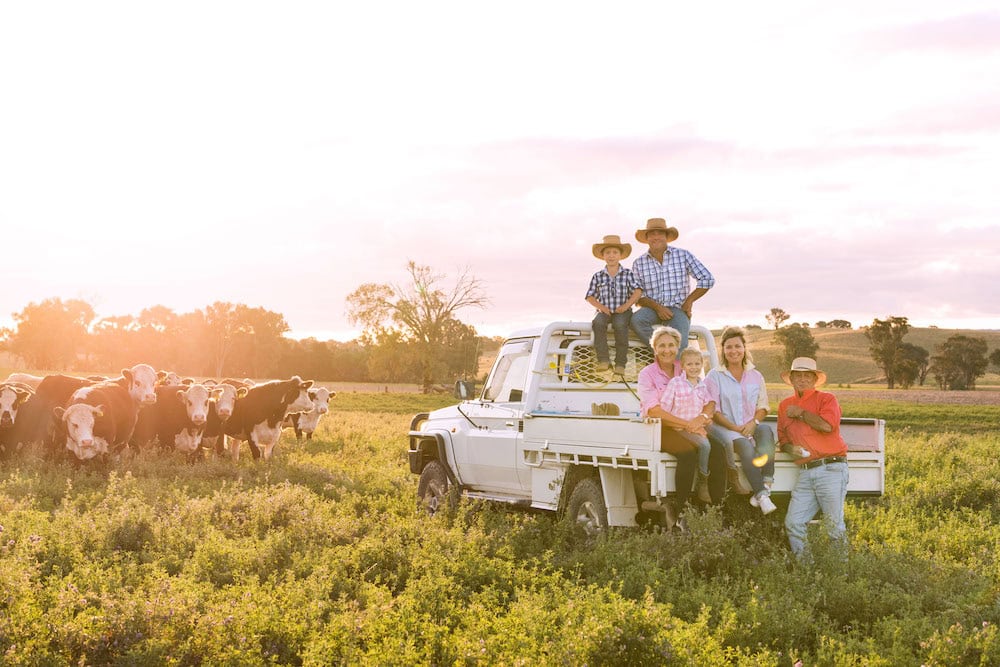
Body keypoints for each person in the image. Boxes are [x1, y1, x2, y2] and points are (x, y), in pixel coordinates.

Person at [637, 325, 726, 528]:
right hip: (662, 428)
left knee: (718, 449)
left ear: (678, 347)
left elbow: (709, 399)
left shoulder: (687, 365)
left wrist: (702, 417)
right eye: (661, 346)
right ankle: (681, 511)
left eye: (671, 345)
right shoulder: (647, 374)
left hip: (692, 425)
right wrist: (688, 424)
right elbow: (654, 411)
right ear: (655, 349)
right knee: (687, 453)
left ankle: (716, 509)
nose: (666, 350)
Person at [777, 357, 849, 558]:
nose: (802, 379)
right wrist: (792, 449)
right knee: (793, 523)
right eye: (797, 376)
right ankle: (806, 571)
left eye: (806, 376)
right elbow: (782, 440)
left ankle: (839, 576)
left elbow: (827, 426)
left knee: (834, 526)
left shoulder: (827, 399)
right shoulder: (784, 405)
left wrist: (800, 413)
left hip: (831, 469)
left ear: (815, 379)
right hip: (806, 472)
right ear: (791, 379)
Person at [704, 327, 777, 514]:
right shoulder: (714, 376)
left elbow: (763, 406)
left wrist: (753, 423)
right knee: (745, 446)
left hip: (750, 425)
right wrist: (735, 428)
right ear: (723, 350)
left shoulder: (755, 375)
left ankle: (767, 481)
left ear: (744, 348)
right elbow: (715, 411)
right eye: (729, 347)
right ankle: (761, 495)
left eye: (737, 346)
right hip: (726, 427)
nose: (733, 351)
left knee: (766, 432)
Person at [630, 217, 715, 354]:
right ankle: (663, 353)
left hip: (678, 308)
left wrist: (689, 301)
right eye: (652, 233)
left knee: (680, 340)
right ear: (647, 238)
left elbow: (707, 278)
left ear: (666, 236)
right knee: (636, 320)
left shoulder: (683, 255)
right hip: (651, 308)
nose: (656, 237)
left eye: (660, 233)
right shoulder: (638, 263)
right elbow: (637, 294)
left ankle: (674, 365)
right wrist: (658, 308)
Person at [659, 347, 715, 504]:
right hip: (678, 427)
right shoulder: (676, 383)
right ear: (682, 366)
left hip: (696, 428)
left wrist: (705, 418)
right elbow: (665, 408)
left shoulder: (702, 386)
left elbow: (708, 404)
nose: (694, 367)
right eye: (690, 364)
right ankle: (701, 484)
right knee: (705, 445)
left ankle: (704, 481)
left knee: (710, 444)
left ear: (702, 365)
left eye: (697, 364)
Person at [584, 235, 642, 375]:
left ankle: (620, 363)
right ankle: (604, 360)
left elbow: (638, 291)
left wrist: (626, 306)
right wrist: (602, 307)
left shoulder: (628, 274)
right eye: (608, 253)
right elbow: (590, 296)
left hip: (623, 310)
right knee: (597, 323)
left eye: (615, 252)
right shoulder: (598, 276)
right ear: (603, 256)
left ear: (620, 255)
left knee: (620, 325)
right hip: (604, 310)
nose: (611, 256)